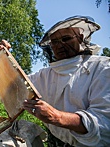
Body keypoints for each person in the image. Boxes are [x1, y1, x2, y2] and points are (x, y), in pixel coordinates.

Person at [23, 16, 110, 146]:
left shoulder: (102, 68)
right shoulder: (45, 74)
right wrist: (0, 58)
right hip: (56, 141)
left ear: (80, 38)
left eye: (66, 39)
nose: (60, 45)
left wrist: (57, 117)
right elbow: (18, 82)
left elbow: (103, 122)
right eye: (55, 42)